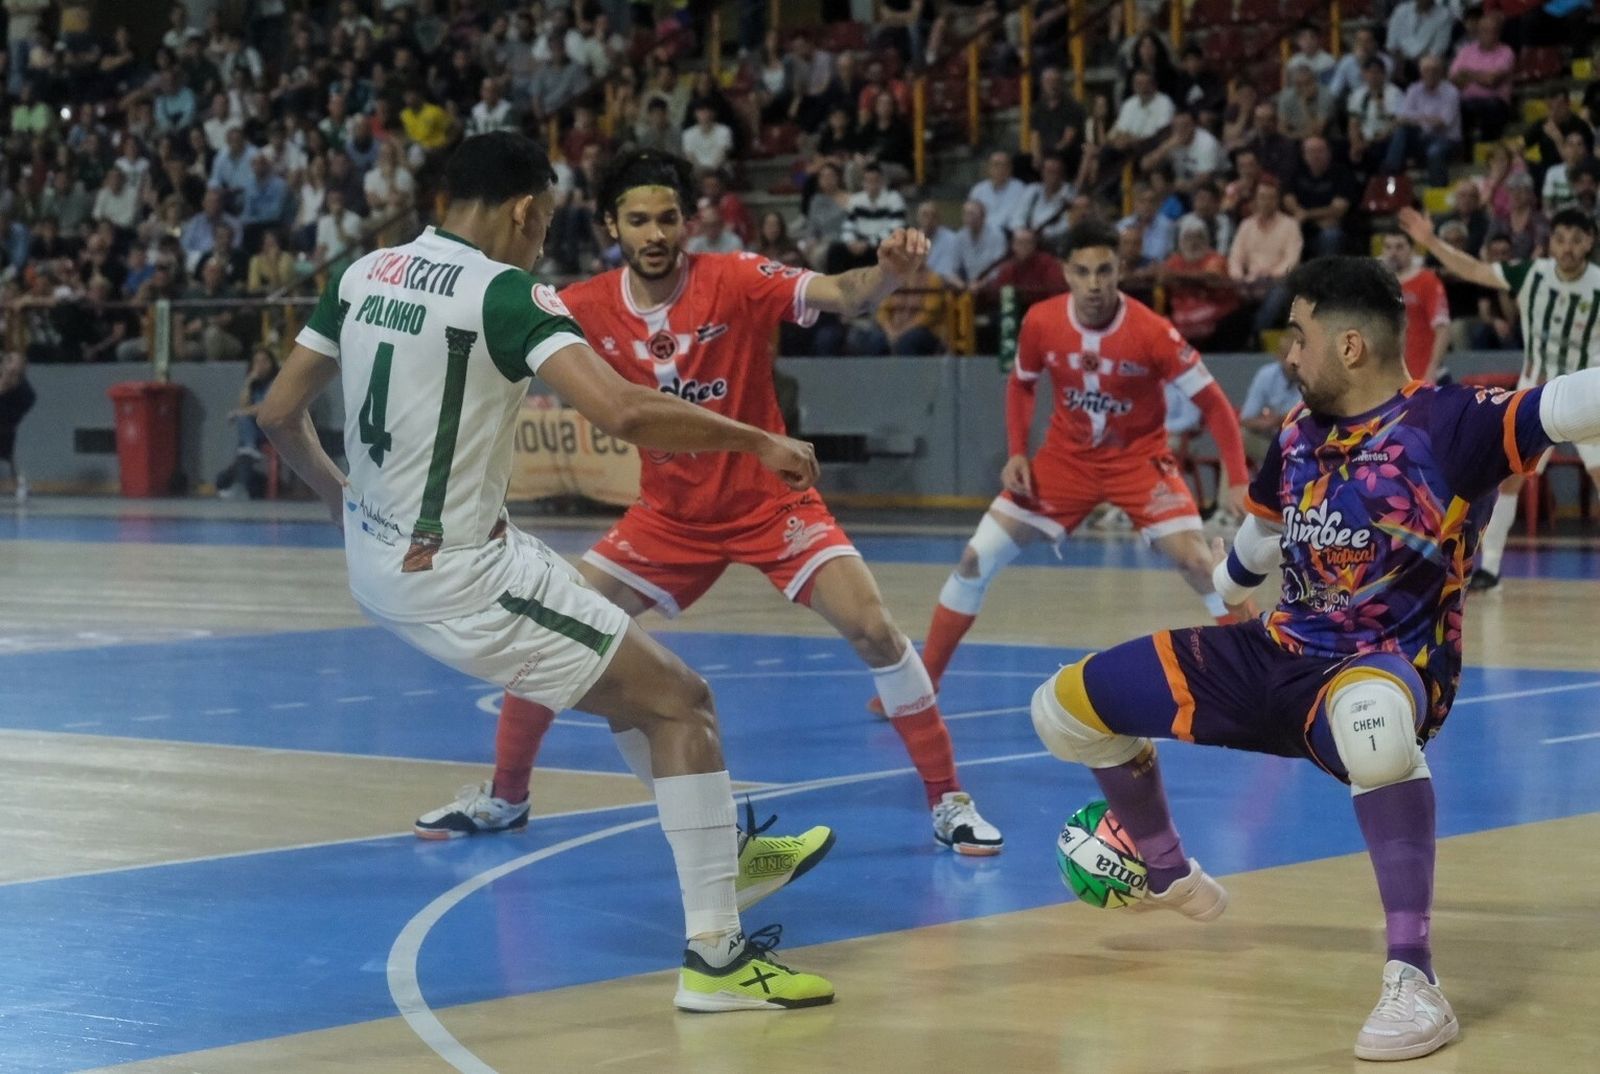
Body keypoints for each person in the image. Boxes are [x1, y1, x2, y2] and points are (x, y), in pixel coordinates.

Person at [260, 133, 835, 1012]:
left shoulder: (362, 273)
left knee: (636, 687)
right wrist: (759, 439)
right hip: (461, 576)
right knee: (685, 702)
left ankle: (724, 845)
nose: (542, 242)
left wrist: (342, 503)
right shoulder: (505, 293)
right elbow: (623, 412)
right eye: (547, 222)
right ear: (527, 211)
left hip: (390, 560)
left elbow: (276, 412)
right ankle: (717, 960)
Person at [1026, 253, 1600, 1062]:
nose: (1287, 356)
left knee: (1374, 731)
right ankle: (1166, 870)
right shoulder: (1297, 434)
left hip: (1387, 666)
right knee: (1061, 709)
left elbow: (1574, 401)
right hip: (1276, 654)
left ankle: (1414, 977)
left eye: (1298, 337)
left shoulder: (1451, 422)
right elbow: (1263, 535)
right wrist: (1224, 581)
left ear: (1351, 346)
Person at [416, 147, 1005, 857]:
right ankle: (507, 797)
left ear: (689, 222)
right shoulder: (581, 305)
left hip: (768, 503)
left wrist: (887, 273)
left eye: (668, 218)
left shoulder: (736, 279)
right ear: (612, 225)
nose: (656, 234)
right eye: (638, 220)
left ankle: (950, 800)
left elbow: (845, 294)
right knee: (551, 635)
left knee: (874, 629)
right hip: (667, 518)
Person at [896, 219, 1252, 713]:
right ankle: (922, 685)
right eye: (1082, 272)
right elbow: (1021, 384)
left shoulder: (1154, 332)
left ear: (1119, 270)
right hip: (1065, 461)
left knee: (1197, 562)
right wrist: (1018, 451)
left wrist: (1238, 480)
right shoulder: (1041, 322)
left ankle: (1262, 678)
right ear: (1065, 272)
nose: (1094, 284)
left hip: (1139, 460)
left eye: (1104, 271)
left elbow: (1214, 403)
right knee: (975, 559)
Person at [1399, 206, 1600, 591]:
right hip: (1535, 391)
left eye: (1577, 240)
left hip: (1587, 393)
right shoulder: (1532, 274)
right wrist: (1431, 242)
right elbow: (1473, 270)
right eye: (1561, 239)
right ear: (1550, 242)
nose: (1568, 248)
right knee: (1508, 480)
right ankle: (1490, 567)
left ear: (1590, 241)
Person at [1379, 228, 1449, 383]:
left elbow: (1442, 329)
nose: (1393, 253)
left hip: (1424, 374)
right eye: (1388, 247)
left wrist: (1432, 370)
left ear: (1412, 250)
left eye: (1399, 247)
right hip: (1392, 377)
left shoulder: (1427, 281)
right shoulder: (1379, 285)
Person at [0, 350, 35, 503]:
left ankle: (21, 483)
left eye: (13, 361)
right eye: (7, 360)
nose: (9, 363)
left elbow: (16, 415)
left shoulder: (26, 391)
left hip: (6, 425)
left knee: (10, 455)